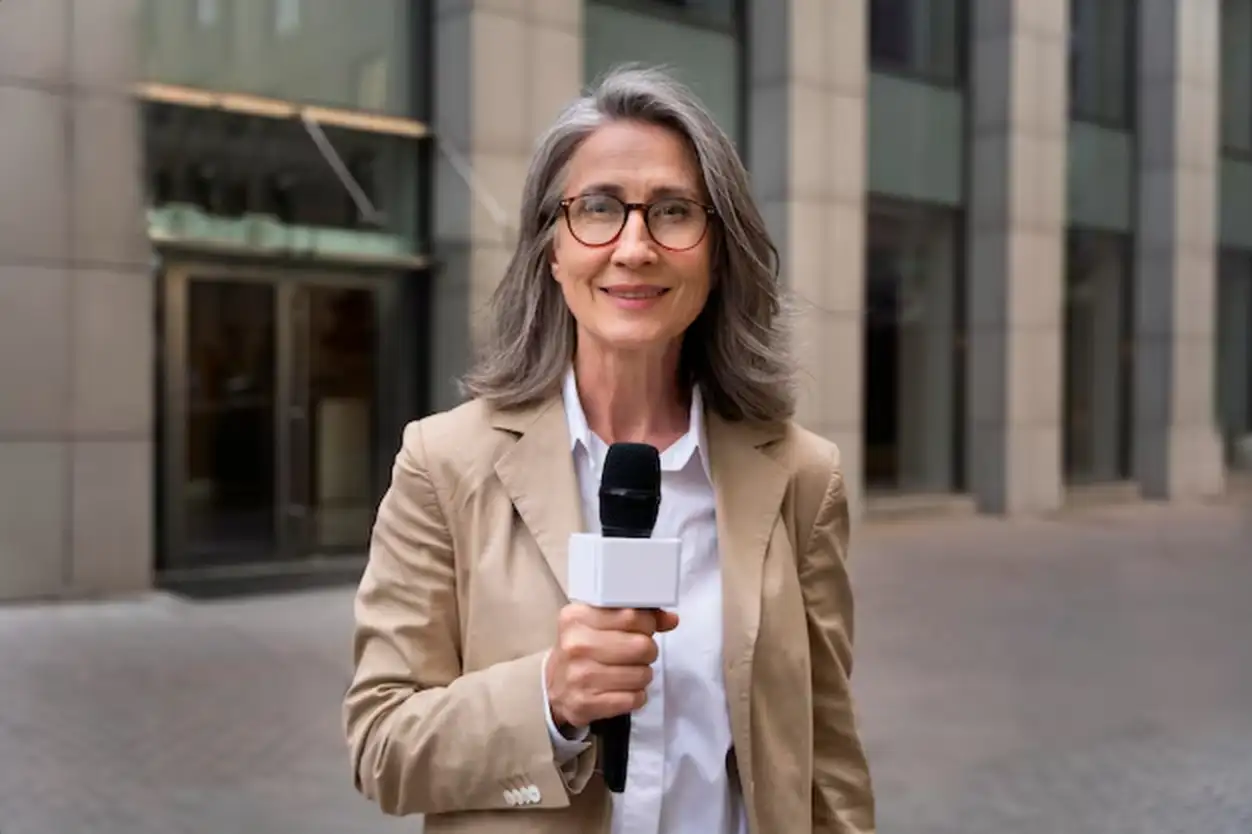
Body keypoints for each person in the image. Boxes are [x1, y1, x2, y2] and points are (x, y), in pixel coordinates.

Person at [342, 66, 876, 834]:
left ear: (717, 253)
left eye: (672, 211)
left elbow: (828, 758)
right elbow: (380, 744)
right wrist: (550, 699)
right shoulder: (442, 463)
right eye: (597, 208)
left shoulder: (800, 477)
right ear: (551, 250)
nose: (634, 246)